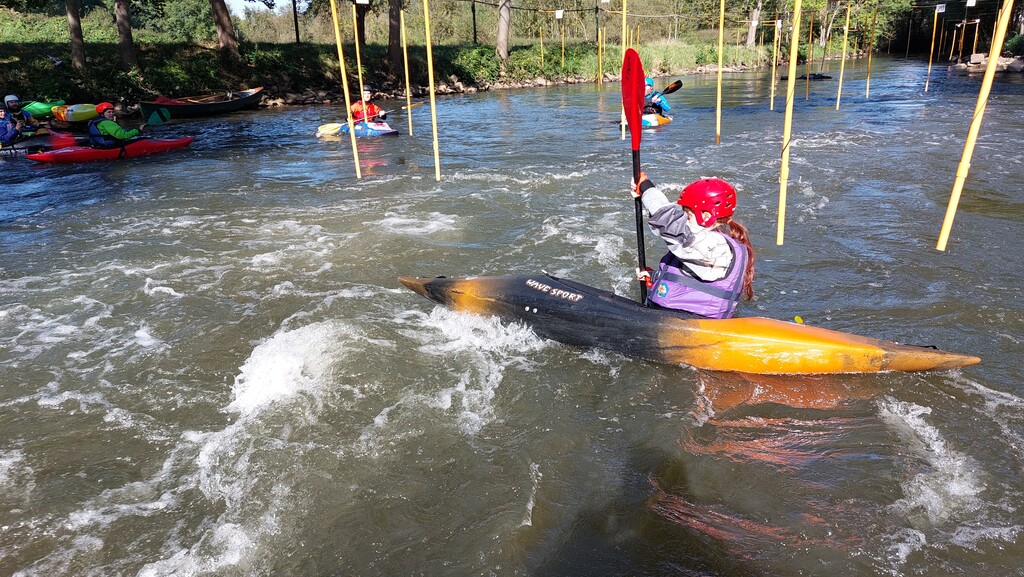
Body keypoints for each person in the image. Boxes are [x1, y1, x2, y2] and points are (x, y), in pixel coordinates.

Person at [630, 172, 755, 319]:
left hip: (696, 323)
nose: (685, 220)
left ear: (707, 217)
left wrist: (647, 189)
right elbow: (693, 277)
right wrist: (655, 277)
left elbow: (670, 224)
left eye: (688, 216)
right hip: (676, 316)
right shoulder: (706, 241)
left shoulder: (716, 247)